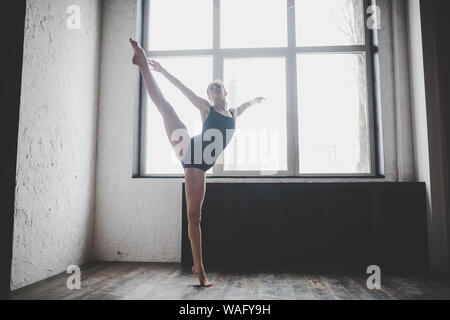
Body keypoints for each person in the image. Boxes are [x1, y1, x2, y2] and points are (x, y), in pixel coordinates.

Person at [130, 38, 266, 287]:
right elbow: (183, 89)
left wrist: (256, 100)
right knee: (168, 109)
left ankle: (196, 265)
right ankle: (143, 64)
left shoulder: (233, 114)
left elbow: (244, 105)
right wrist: (163, 70)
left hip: (201, 165)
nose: (213, 93)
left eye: (216, 89)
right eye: (210, 91)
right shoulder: (206, 108)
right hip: (191, 152)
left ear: (224, 92)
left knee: (195, 216)